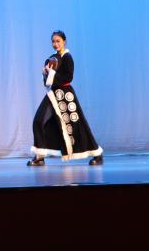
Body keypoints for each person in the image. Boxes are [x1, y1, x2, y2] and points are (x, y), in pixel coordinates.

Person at [28, 31, 104, 166]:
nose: (55, 44)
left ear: (64, 41)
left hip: (66, 96)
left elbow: (68, 77)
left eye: (58, 41)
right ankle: (40, 155)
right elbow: (48, 82)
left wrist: (52, 73)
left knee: (77, 126)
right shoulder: (52, 58)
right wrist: (45, 73)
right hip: (53, 95)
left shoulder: (68, 58)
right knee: (39, 121)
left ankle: (97, 154)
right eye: (53, 41)